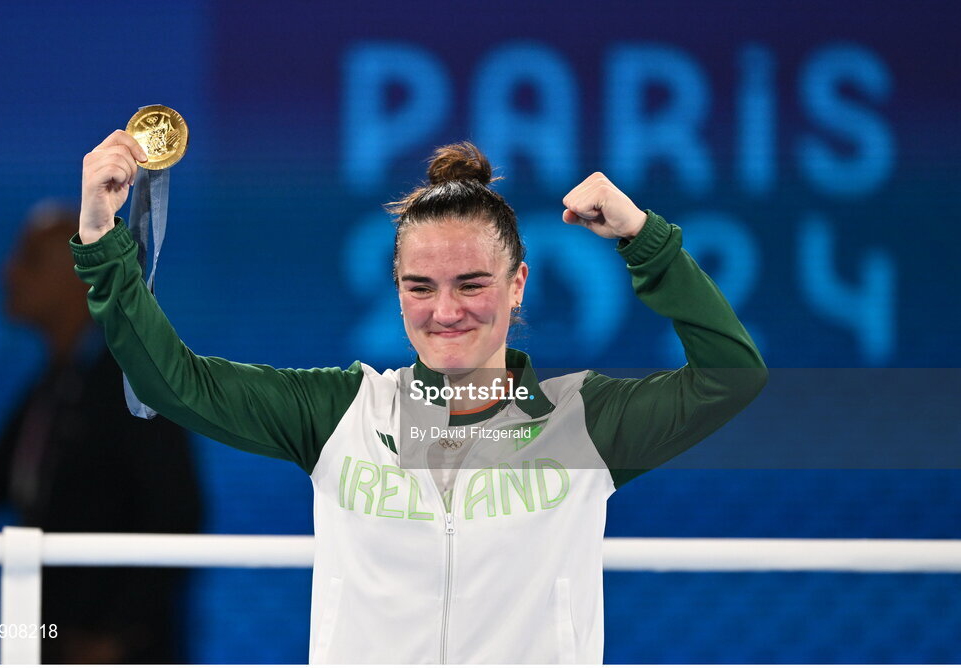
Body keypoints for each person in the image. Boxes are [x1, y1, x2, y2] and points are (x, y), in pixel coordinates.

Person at [71, 131, 767, 664]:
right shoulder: (338, 412)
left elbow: (731, 375)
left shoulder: (584, 423)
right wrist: (102, 238)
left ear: (518, 284)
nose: (446, 311)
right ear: (395, 287)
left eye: (472, 284)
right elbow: (173, 381)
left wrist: (645, 240)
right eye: (420, 287)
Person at [0, 203, 203, 664]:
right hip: (50, 639)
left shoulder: (136, 384)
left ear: (81, 280)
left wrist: (117, 637)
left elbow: (176, 513)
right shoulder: (52, 389)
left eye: (29, 259)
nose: (7, 272)